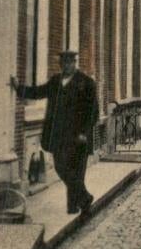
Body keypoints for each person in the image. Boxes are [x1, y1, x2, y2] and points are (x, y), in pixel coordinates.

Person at [12, 51, 98, 215]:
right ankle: (85, 198)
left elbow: (93, 111)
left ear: (75, 63)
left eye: (69, 63)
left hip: (79, 137)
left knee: (77, 172)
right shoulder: (55, 82)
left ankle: (74, 208)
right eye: (63, 63)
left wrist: (84, 133)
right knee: (60, 167)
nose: (66, 66)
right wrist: (19, 88)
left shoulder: (86, 83)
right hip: (59, 137)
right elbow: (38, 92)